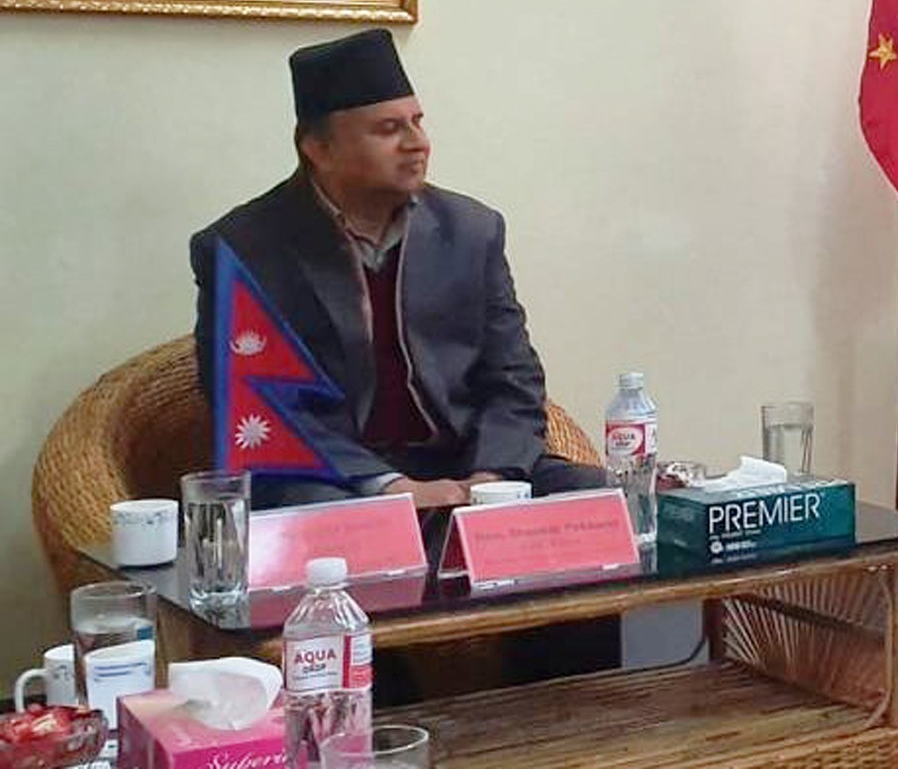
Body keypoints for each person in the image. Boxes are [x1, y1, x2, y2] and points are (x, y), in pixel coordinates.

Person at [192, 28, 607, 510]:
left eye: (418, 122)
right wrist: (391, 487)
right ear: (319, 149)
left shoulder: (472, 230)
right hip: (334, 477)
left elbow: (514, 378)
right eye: (389, 130)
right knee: (333, 522)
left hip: (469, 465)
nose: (418, 144)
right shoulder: (244, 247)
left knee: (604, 498)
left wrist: (491, 478)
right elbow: (261, 403)